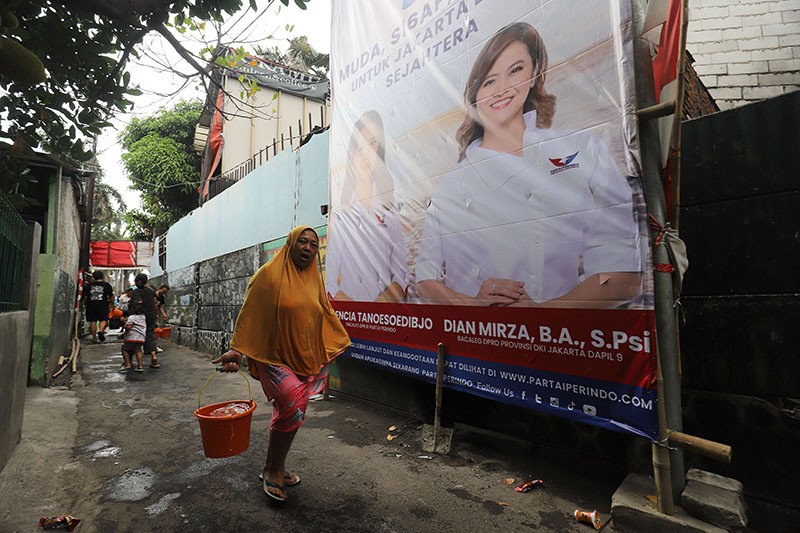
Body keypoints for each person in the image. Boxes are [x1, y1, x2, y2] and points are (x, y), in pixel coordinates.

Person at [416, 22, 643, 308]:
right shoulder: (451, 185)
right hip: (472, 337)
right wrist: (472, 305)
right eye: (489, 81)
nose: (502, 89)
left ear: (535, 73)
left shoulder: (582, 150)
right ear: (475, 94)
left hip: (561, 339)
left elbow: (624, 275)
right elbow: (425, 278)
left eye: (515, 70)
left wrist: (542, 313)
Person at [212, 226, 351, 503]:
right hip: (272, 356)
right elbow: (251, 314)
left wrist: (333, 340)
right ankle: (275, 470)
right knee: (290, 405)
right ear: (290, 244)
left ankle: (273, 466)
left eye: (313, 244)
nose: (308, 248)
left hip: (303, 357)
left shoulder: (314, 280)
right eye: (302, 242)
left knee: (292, 413)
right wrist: (237, 351)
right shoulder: (269, 276)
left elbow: (321, 313)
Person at [326, 110, 408, 302]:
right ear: (351, 152)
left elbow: (401, 275)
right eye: (359, 147)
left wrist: (384, 301)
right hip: (354, 323)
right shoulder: (340, 216)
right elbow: (330, 283)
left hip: (387, 319)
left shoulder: (389, 212)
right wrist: (360, 314)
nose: (366, 155)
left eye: (372, 143)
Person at [130, 273, 160, 368]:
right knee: (150, 335)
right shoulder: (151, 291)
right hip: (150, 316)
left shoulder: (136, 292)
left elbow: (137, 304)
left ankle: (132, 362)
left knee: (135, 338)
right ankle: (153, 356)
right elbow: (155, 303)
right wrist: (156, 315)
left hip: (140, 317)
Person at [83, 270, 113, 343]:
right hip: (103, 304)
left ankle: (94, 338)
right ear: (102, 277)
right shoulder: (106, 285)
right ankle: (101, 330)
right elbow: (111, 296)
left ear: (93, 277)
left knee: (93, 321)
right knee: (103, 319)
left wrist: (85, 303)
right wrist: (111, 304)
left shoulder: (88, 286)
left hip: (91, 304)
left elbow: (85, 297)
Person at [119, 300, 146, 373]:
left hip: (131, 337)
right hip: (141, 337)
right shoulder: (143, 317)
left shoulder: (131, 317)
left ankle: (127, 363)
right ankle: (140, 366)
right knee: (138, 350)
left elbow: (128, 327)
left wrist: (125, 326)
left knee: (124, 349)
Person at [154, 284, 170, 353]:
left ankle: (154, 346)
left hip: (155, 316)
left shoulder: (161, 298)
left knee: (156, 330)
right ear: (160, 289)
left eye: (165, 292)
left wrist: (164, 314)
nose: (163, 293)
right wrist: (156, 314)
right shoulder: (153, 295)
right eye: (163, 291)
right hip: (150, 314)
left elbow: (160, 307)